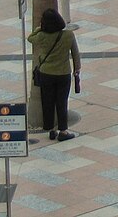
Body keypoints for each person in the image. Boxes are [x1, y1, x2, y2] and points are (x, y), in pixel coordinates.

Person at [27, 8, 80, 141]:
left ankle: (50, 129)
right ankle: (63, 131)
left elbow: (30, 38)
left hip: (46, 73)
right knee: (62, 102)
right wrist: (77, 69)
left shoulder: (42, 36)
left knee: (47, 102)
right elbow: (75, 53)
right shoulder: (68, 35)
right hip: (63, 73)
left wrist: (39, 28)